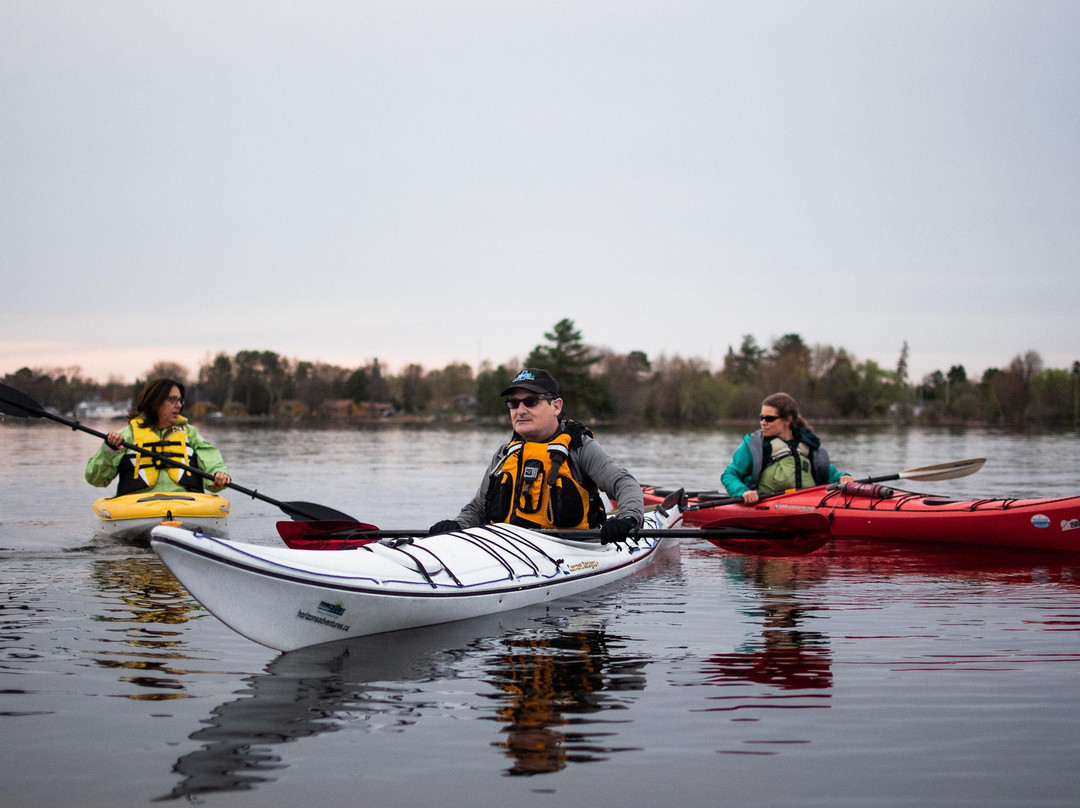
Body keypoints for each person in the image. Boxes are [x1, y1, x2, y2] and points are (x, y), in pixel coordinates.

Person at [428, 368, 645, 543]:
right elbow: (478, 508)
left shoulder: (580, 447)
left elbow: (624, 484)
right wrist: (458, 525)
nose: (520, 410)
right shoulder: (504, 454)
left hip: (573, 549)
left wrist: (627, 518)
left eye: (531, 401)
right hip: (509, 547)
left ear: (556, 406)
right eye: (513, 403)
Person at [85, 378, 231, 496]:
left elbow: (210, 459)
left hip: (185, 506)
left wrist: (218, 474)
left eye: (180, 400)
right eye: (173, 400)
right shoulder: (126, 435)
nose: (179, 405)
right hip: (139, 510)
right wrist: (109, 449)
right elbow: (95, 479)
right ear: (155, 402)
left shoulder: (189, 434)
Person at [721, 392, 853, 504]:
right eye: (761, 417)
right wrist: (743, 492)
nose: (763, 422)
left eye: (769, 418)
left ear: (787, 419)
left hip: (811, 503)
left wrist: (842, 477)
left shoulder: (808, 444)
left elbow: (826, 472)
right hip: (769, 504)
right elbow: (729, 475)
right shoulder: (755, 446)